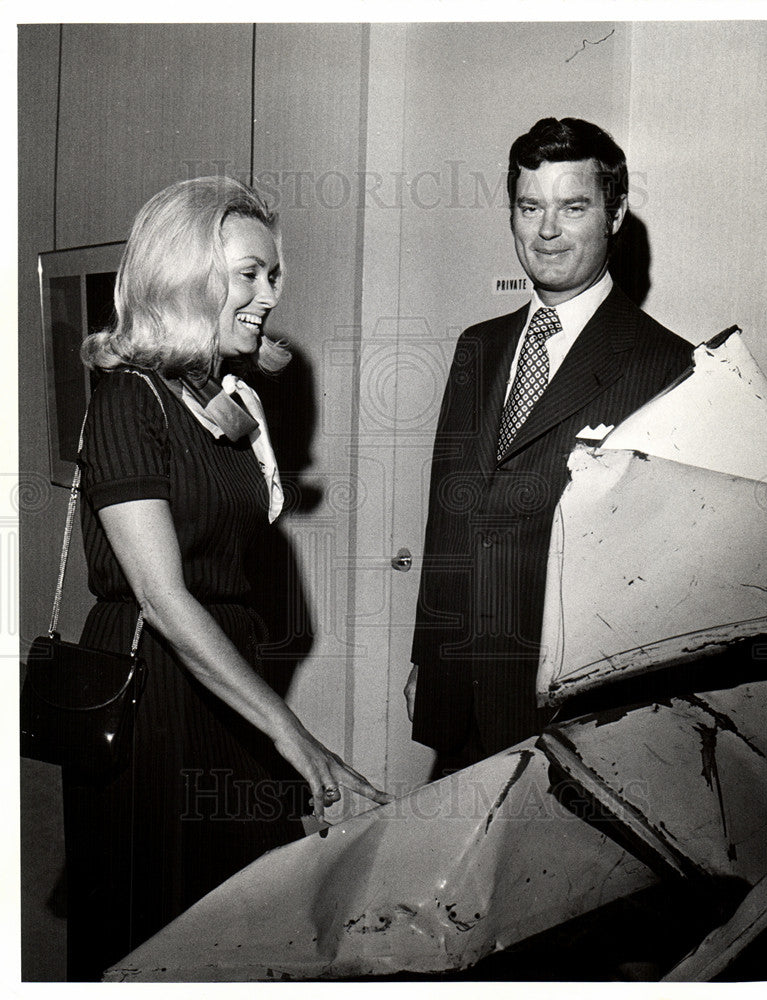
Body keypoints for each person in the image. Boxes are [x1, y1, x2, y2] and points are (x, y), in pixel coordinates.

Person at [64, 176, 390, 981]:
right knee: (162, 923)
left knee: (240, 913)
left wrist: (242, 422)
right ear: (185, 274)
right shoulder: (125, 402)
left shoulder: (215, 398)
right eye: (249, 274)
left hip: (223, 676)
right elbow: (162, 595)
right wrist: (293, 734)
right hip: (158, 689)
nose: (269, 294)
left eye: (272, 276)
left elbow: (248, 513)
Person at [405, 117, 693, 772]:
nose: (545, 231)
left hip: (577, 720)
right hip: (460, 704)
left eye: (572, 207)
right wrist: (429, 657)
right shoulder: (475, 347)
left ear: (614, 214)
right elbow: (447, 516)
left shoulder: (666, 367)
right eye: (529, 206)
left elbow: (661, 580)